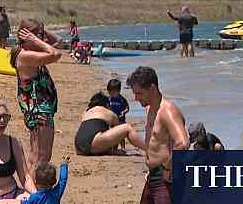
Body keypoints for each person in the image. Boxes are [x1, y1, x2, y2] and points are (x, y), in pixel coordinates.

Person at [126, 66, 189, 204]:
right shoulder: (150, 108)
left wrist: (168, 168)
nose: (136, 98)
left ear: (152, 89)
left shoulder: (167, 112)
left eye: (139, 93)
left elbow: (183, 143)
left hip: (166, 180)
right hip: (152, 176)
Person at [9, 19, 62, 181]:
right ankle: (32, 191)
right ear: (28, 36)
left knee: (36, 154)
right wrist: (35, 39)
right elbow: (55, 54)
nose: (42, 38)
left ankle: (31, 190)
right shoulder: (25, 56)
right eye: (38, 34)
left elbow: (58, 41)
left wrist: (41, 33)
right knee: (42, 156)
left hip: (38, 110)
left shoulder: (30, 52)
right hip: (39, 111)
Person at [74, 92, 146, 156]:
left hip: (78, 147)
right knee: (127, 128)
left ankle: (107, 151)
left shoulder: (86, 112)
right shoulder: (109, 113)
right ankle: (147, 149)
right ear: (106, 104)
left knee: (100, 134)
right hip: (93, 143)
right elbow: (118, 134)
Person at [107, 79, 130, 151]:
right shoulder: (109, 99)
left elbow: (127, 108)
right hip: (112, 121)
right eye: (110, 92)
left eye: (113, 92)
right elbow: (106, 107)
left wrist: (123, 112)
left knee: (121, 135)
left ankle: (123, 147)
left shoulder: (121, 99)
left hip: (121, 120)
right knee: (113, 134)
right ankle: (114, 147)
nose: (111, 94)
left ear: (118, 91)